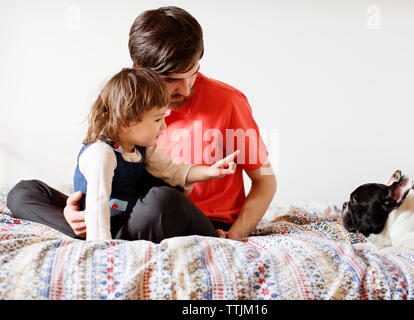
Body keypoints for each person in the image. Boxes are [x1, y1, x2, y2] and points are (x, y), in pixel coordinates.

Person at [8, 6, 277, 241]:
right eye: (171, 80)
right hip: (126, 212)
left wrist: (235, 235)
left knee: (162, 199)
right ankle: (101, 233)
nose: (185, 88)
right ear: (138, 69)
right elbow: (99, 168)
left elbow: (265, 181)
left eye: (192, 73)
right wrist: (73, 208)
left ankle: (102, 238)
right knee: (23, 193)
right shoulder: (121, 98)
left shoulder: (230, 102)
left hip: (186, 217)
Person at [73, 67, 239, 241]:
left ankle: (209, 236)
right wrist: (101, 247)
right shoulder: (101, 153)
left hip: (127, 221)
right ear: (128, 122)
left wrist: (210, 171)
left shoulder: (142, 148)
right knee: (40, 192)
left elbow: (173, 171)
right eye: (158, 119)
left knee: (164, 195)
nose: (164, 127)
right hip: (102, 229)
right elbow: (97, 204)